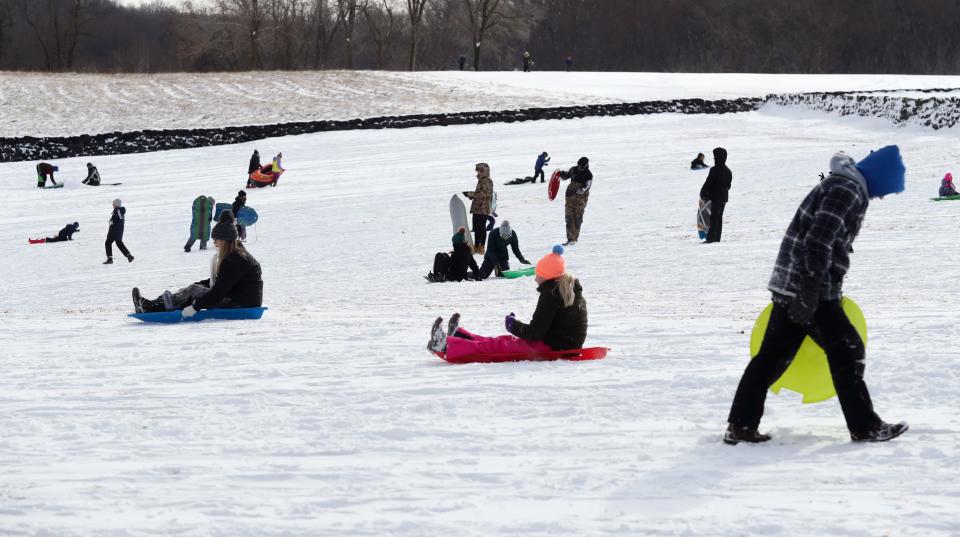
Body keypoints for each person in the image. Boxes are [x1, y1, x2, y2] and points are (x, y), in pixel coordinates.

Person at [724, 146, 909, 445]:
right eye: (887, 190)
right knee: (846, 352)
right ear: (880, 177)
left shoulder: (842, 184)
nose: (884, 197)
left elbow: (824, 239)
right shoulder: (847, 189)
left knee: (771, 357)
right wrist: (811, 290)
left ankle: (740, 425)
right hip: (810, 288)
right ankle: (864, 426)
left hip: (796, 284)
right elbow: (819, 239)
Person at [427, 245, 587, 359]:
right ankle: (460, 336)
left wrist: (512, 325)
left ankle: (446, 345)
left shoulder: (552, 293)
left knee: (499, 346)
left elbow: (534, 333)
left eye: (538, 273)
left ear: (546, 275)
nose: (536, 278)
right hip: (561, 345)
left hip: (552, 347)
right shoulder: (566, 289)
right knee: (502, 342)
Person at [133, 210, 263, 316]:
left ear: (224, 240)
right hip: (238, 299)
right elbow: (222, 281)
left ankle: (152, 308)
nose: (214, 243)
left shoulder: (236, 259)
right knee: (195, 287)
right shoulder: (236, 254)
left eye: (216, 239)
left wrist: (195, 307)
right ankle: (154, 304)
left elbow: (219, 291)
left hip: (243, 304)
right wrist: (200, 284)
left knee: (194, 290)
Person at [699, 147, 732, 243]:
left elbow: (708, 183)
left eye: (715, 157)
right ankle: (717, 238)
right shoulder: (728, 171)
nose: (714, 159)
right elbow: (728, 186)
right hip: (724, 198)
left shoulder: (714, 170)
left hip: (715, 198)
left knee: (714, 218)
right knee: (719, 218)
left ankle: (710, 239)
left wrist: (703, 192)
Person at [559, 156, 593, 246]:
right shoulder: (573, 169)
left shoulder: (589, 175)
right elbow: (566, 176)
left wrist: (580, 190)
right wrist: (560, 173)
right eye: (578, 165)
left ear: (586, 166)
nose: (579, 168)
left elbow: (587, 187)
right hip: (569, 197)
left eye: (581, 166)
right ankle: (570, 239)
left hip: (580, 200)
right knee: (569, 218)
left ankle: (575, 237)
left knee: (577, 218)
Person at [463, 162, 493, 254]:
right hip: (477, 208)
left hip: (483, 209)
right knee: (476, 228)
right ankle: (476, 246)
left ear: (484, 171)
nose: (477, 173)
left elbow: (483, 194)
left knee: (481, 228)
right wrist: (471, 195)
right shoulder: (482, 180)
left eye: (479, 171)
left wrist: (470, 194)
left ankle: (481, 247)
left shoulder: (486, 181)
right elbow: (479, 194)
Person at [104, 198, 133, 264]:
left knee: (108, 243)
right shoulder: (118, 210)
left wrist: (112, 222)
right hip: (118, 231)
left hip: (115, 231)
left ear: (116, 204)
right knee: (119, 243)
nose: (112, 205)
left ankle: (110, 259)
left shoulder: (119, 210)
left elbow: (119, 218)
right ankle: (129, 256)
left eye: (113, 204)